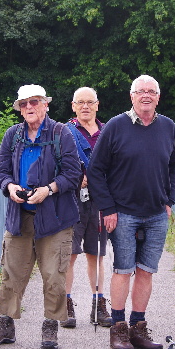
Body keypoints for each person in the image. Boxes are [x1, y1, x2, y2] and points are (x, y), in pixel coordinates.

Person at [86, 75, 175, 349]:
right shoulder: (116, 126)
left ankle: (138, 328)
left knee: (146, 270)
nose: (146, 96)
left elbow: (174, 166)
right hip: (123, 213)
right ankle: (119, 328)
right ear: (132, 96)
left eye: (151, 92)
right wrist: (108, 208)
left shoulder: (167, 127)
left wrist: (169, 200)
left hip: (155, 213)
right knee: (123, 269)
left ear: (158, 97)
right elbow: (96, 170)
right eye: (141, 92)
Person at [0, 84, 81, 349]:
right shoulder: (12, 135)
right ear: (19, 108)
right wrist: (9, 187)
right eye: (24, 104)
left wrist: (48, 190)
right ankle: (5, 325)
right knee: (11, 271)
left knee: (54, 274)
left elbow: (73, 174)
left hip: (56, 217)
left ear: (45, 105)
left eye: (34, 102)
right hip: (20, 216)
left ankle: (50, 325)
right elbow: (1, 172)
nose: (29, 107)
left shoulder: (62, 134)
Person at [60, 87, 113, 329]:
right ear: (73, 106)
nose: (85, 107)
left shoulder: (107, 133)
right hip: (71, 200)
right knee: (69, 255)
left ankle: (99, 305)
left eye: (89, 102)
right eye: (80, 102)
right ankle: (66, 305)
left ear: (97, 105)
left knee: (97, 254)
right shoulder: (63, 132)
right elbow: (55, 165)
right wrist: (75, 177)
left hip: (99, 200)